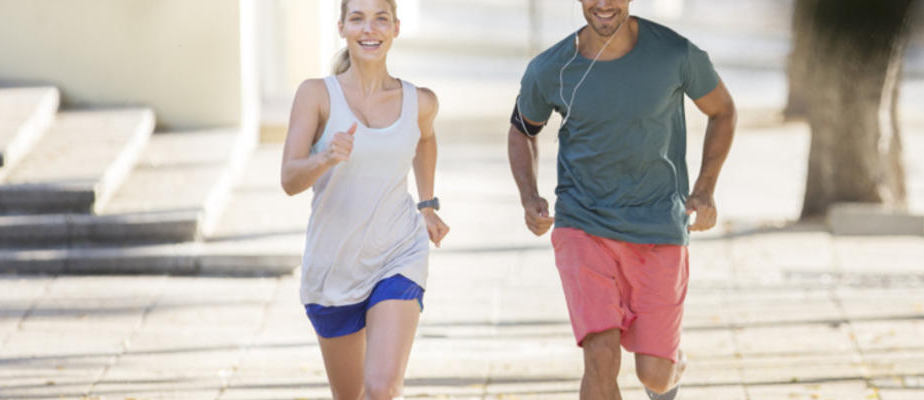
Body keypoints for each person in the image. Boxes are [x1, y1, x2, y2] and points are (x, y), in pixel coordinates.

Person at [506, 0, 736, 398]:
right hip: (583, 224)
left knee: (655, 377)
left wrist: (704, 189)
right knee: (600, 356)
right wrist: (529, 196)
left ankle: (672, 364)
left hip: (659, 227)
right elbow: (522, 130)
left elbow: (723, 111)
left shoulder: (675, 53)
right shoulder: (551, 68)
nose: (604, 4)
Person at [280, 0, 449, 398]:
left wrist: (427, 205)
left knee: (381, 387)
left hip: (398, 253)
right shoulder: (316, 95)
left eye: (380, 19)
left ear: (396, 28)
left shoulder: (419, 101)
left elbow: (425, 137)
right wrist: (325, 157)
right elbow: (289, 179)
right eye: (357, 18)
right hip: (333, 267)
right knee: (351, 395)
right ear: (341, 27)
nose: (369, 29)